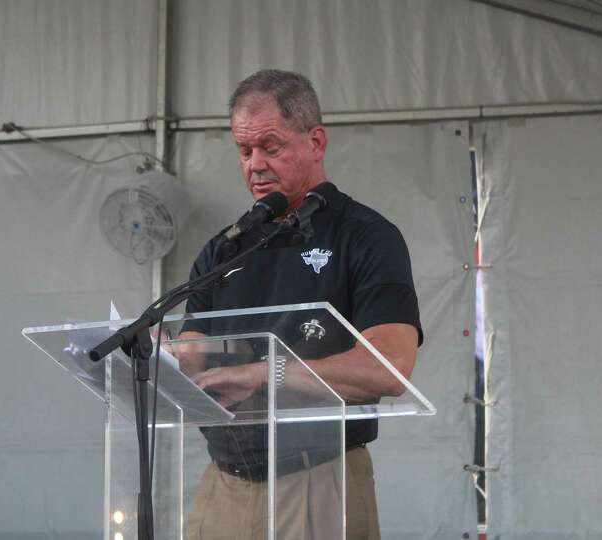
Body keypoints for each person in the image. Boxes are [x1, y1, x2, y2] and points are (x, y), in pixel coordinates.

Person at [178, 69, 423, 540]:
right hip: (224, 481)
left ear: (316, 141)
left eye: (271, 147)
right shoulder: (224, 249)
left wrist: (264, 373)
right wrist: (164, 353)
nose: (255, 164)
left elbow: (389, 366)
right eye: (243, 150)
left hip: (318, 476)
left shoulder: (367, 237)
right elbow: (195, 349)